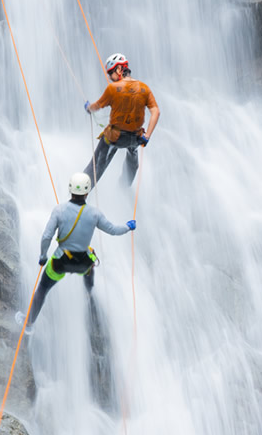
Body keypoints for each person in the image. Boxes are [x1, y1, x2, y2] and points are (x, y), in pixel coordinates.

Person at [15, 172, 136, 332]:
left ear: (70, 189)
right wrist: (128, 226)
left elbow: (46, 237)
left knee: (43, 289)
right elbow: (113, 230)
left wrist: (43, 256)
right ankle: (88, 293)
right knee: (91, 259)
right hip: (82, 265)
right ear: (87, 192)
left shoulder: (59, 211)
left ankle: (29, 323)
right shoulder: (95, 214)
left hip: (60, 263)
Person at [83, 53, 160, 187]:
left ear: (119, 70)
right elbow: (156, 112)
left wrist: (89, 108)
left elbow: (97, 106)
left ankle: (81, 192)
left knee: (97, 165)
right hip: (135, 138)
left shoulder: (113, 89)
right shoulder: (144, 88)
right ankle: (124, 186)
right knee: (133, 156)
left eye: (110, 73)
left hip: (115, 137)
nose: (110, 78)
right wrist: (147, 136)